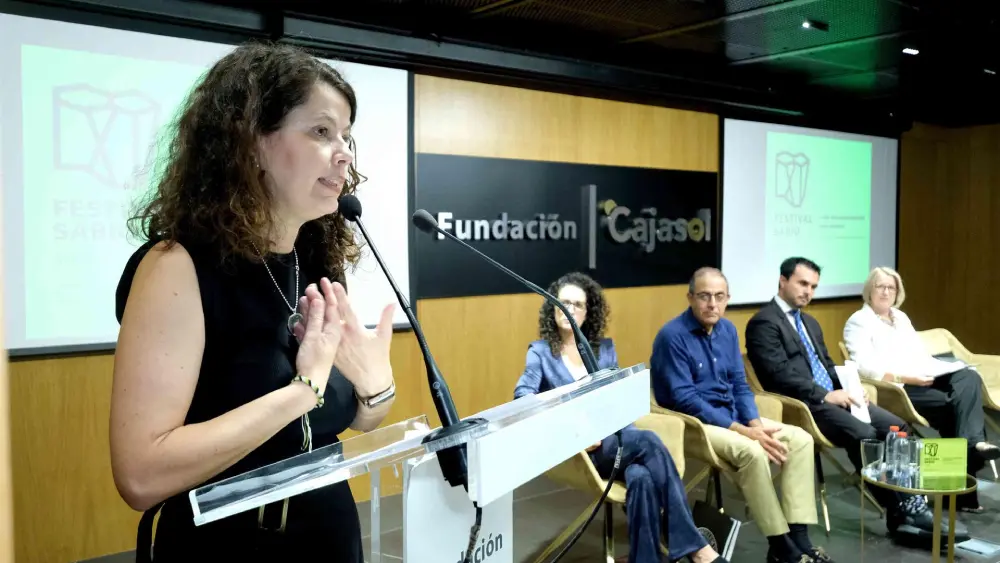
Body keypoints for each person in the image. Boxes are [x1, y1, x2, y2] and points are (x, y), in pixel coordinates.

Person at [110, 42, 398, 561]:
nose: (345, 153)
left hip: (331, 539)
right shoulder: (177, 267)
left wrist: (376, 391)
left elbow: (355, 419)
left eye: (347, 136)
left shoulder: (316, 265)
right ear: (252, 143)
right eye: (321, 131)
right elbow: (140, 473)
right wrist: (301, 389)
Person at [745, 257, 967, 543]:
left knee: (897, 427)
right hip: (803, 405)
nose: (808, 291)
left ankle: (906, 512)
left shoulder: (810, 322)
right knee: (865, 435)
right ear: (782, 281)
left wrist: (851, 386)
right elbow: (778, 375)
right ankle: (904, 508)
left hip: (835, 397)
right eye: (802, 283)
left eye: (813, 286)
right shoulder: (764, 322)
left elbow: (826, 366)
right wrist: (826, 394)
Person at [514, 272, 727, 563]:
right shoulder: (540, 353)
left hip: (615, 441)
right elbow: (523, 397)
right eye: (564, 302)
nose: (570, 310)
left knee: (641, 478)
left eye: (578, 304)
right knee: (649, 440)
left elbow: (619, 402)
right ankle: (693, 544)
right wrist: (567, 424)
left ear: (589, 312)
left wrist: (621, 429)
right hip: (580, 450)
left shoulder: (604, 350)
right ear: (553, 308)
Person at [653, 267, 828, 563]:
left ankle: (799, 537)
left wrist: (756, 424)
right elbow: (686, 400)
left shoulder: (728, 330)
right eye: (705, 296)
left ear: (728, 298)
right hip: (694, 424)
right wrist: (745, 431)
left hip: (732, 416)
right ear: (690, 297)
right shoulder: (672, 336)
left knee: (800, 439)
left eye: (719, 297)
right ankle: (781, 545)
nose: (712, 304)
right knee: (752, 452)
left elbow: (739, 385)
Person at [843, 266, 999, 512]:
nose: (885, 292)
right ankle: (971, 459)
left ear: (898, 292)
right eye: (880, 286)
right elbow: (865, 368)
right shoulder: (858, 321)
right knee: (957, 408)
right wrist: (907, 377)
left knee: (968, 377)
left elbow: (919, 355)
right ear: (869, 291)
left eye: (891, 287)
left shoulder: (901, 317)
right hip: (897, 388)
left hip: (925, 377)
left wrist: (937, 370)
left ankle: (971, 447)